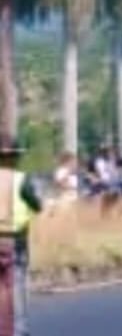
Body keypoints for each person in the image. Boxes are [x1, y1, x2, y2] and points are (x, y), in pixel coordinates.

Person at [0, 135, 42, 336]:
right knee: (16, 285)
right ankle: (18, 330)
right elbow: (36, 204)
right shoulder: (21, 180)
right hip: (15, 240)